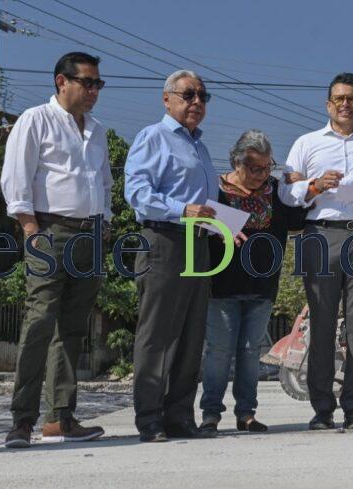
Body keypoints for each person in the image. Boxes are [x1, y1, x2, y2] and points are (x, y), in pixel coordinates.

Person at [0, 52, 110, 448]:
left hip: (90, 235)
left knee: (73, 329)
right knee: (39, 321)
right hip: (50, 229)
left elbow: (104, 182)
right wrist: (29, 227)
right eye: (87, 82)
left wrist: (105, 224)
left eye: (98, 83)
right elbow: (16, 176)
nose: (94, 91)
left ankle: (60, 418)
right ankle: (22, 421)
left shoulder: (96, 130)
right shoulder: (36, 119)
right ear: (62, 82)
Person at [281, 73, 353, 430]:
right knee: (322, 322)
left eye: (352, 98)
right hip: (320, 235)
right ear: (328, 104)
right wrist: (313, 186)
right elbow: (286, 194)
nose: (345, 104)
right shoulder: (306, 143)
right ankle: (321, 409)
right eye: (339, 98)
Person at [124, 69, 219, 442]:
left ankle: (180, 415)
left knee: (192, 333)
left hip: (200, 244)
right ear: (167, 99)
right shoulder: (154, 137)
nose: (197, 102)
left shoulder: (201, 146)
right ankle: (149, 417)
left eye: (202, 96)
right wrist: (183, 210)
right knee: (157, 334)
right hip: (163, 240)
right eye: (189, 94)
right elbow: (137, 193)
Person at [198, 130, 308, 435]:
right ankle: (210, 414)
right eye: (255, 168)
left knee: (250, 352)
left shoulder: (275, 190)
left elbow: (298, 221)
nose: (262, 175)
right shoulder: (215, 189)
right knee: (219, 351)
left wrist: (300, 188)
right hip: (221, 284)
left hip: (262, 285)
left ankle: (246, 413)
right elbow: (198, 223)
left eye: (267, 167)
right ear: (237, 162)